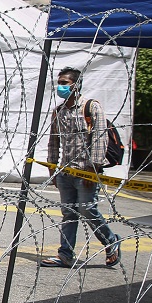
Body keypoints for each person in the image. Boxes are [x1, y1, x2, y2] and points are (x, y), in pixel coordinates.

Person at [40, 67, 122, 268]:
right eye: (59, 82)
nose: (61, 86)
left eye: (65, 83)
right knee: (69, 213)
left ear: (76, 85)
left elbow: (100, 139)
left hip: (86, 171)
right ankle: (65, 254)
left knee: (87, 210)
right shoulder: (58, 111)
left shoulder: (91, 107)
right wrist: (52, 168)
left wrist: (92, 171)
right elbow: (54, 142)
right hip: (65, 172)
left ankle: (111, 241)